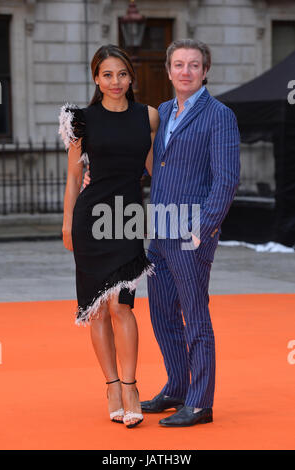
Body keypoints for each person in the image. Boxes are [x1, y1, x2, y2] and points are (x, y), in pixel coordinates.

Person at [140, 39, 240, 427]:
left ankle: (200, 403)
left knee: (195, 316)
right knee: (162, 313)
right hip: (160, 228)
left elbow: (227, 179)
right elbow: (157, 166)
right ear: (168, 71)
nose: (185, 71)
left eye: (193, 65)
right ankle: (178, 387)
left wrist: (203, 229)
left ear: (205, 70)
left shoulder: (220, 115)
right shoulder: (163, 112)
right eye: (179, 65)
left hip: (191, 231)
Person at [59, 44, 159, 428]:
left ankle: (132, 386)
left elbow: (154, 167)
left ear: (131, 77)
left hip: (127, 218)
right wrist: (67, 221)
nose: (115, 81)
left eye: (121, 74)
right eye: (107, 74)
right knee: (98, 308)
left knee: (123, 306)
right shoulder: (81, 120)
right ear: (95, 78)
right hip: (90, 218)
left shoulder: (148, 117)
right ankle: (112, 386)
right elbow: (72, 175)